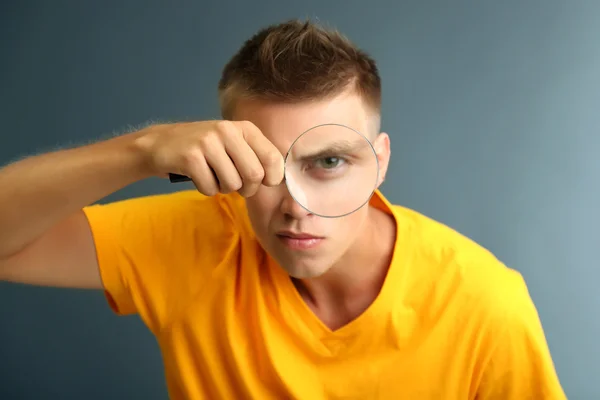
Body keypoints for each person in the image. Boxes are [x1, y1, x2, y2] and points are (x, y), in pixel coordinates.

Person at [0, 19, 566, 399]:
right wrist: (141, 149)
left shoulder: (484, 306)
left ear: (381, 161)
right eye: (265, 167)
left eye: (329, 163)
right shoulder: (194, 238)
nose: (295, 207)